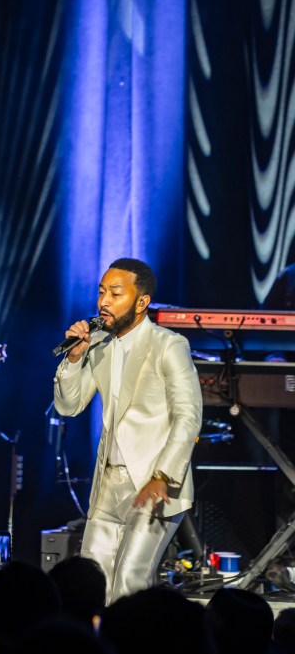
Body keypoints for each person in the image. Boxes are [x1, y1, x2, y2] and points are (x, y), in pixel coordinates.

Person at [53, 257, 202, 605]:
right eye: (102, 292)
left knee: (129, 583)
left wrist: (163, 474)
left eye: (115, 293)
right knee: (93, 586)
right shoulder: (100, 344)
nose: (104, 301)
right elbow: (69, 405)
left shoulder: (168, 344)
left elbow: (188, 415)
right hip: (108, 484)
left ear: (141, 301)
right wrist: (74, 359)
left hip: (153, 483)